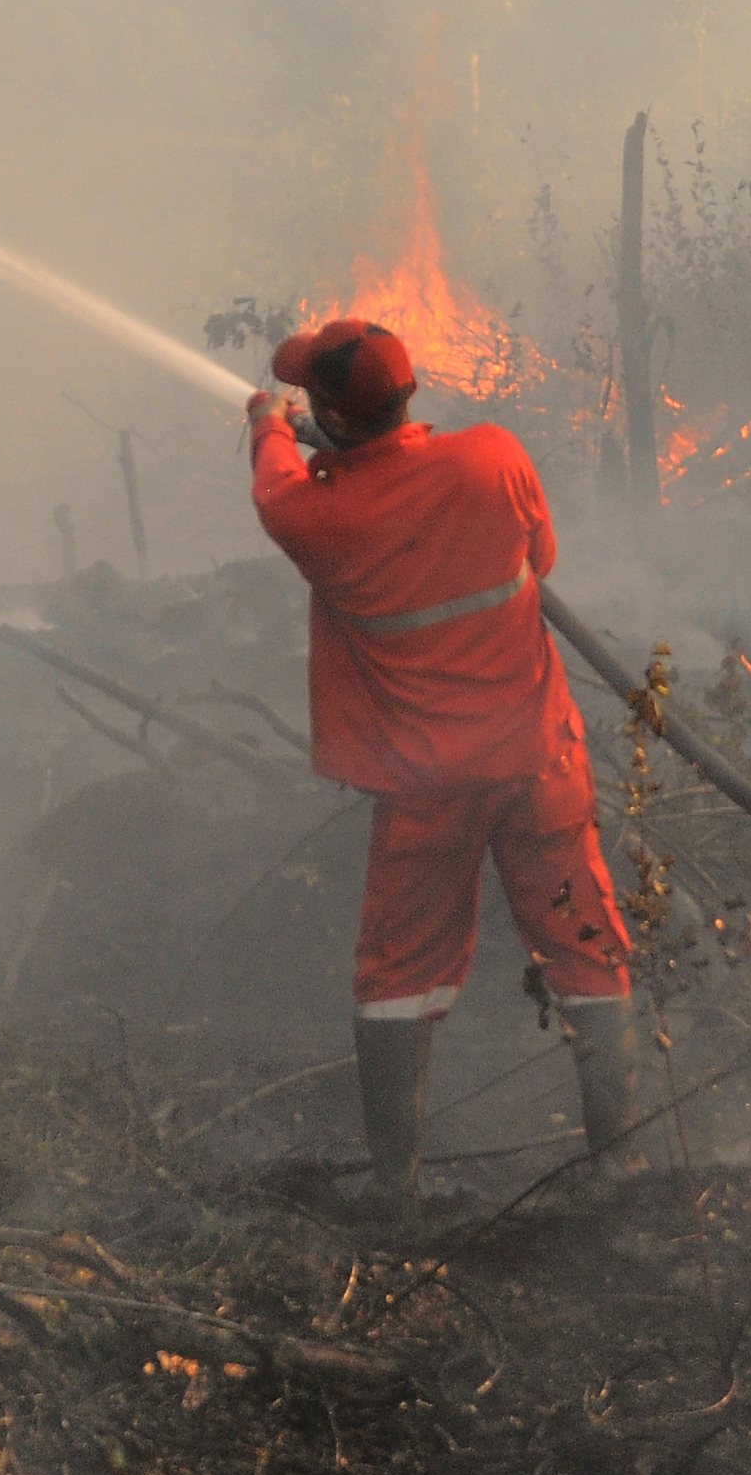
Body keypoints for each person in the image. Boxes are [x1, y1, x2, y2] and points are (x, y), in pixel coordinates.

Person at [244, 315, 641, 1225]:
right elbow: (539, 561)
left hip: (431, 788)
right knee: (587, 946)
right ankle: (623, 1165)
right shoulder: (493, 456)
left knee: (397, 975)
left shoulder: (314, 513)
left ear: (335, 422)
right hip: (540, 757)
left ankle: (396, 1190)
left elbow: (275, 482)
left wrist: (269, 423)